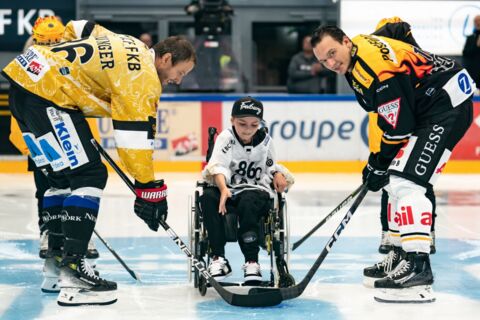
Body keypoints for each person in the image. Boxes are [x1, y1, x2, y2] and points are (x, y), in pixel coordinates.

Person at [2, 16, 196, 306]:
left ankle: (55, 265)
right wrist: (149, 189)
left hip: (24, 82)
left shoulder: (131, 43)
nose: (177, 80)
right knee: (89, 175)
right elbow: (134, 141)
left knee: (60, 177)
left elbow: (81, 26)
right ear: (166, 58)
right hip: (49, 95)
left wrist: (67, 69)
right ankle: (74, 273)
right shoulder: (143, 77)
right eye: (180, 72)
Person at [310, 21, 474, 303]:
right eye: (323, 60)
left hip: (447, 105)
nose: (330, 63)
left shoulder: (376, 71)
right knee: (394, 181)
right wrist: (420, 62)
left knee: (408, 183)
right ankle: (401, 255)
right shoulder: (359, 49)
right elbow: (398, 28)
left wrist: (377, 161)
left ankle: (418, 268)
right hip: (432, 103)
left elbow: (399, 128)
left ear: (347, 42)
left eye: (333, 53)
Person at [9, 16, 100, 261]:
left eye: (56, 41)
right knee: (48, 188)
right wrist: (32, 147)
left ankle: (78, 233)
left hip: (67, 140)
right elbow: (20, 117)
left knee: (78, 187)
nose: (52, 46)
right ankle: (50, 232)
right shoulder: (28, 68)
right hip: (42, 141)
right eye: (47, 42)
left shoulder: (71, 66)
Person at [201, 97, 294, 283]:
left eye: (254, 124)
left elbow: (271, 167)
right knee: (208, 197)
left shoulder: (266, 141)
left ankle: (252, 262)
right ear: (232, 120)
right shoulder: (226, 138)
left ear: (260, 123)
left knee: (249, 199)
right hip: (227, 189)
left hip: (254, 191)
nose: (248, 129)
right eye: (242, 123)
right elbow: (217, 166)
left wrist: (277, 174)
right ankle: (218, 258)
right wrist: (223, 189)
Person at [368, 18, 437, 255]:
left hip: (409, 135)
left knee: (415, 185)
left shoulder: (405, 64)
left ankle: (423, 232)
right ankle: (390, 232)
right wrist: (378, 158)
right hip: (393, 136)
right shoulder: (385, 67)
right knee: (395, 186)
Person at [462, 15, 480, 95]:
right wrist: (476, 45)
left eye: (479, 21)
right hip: (473, 72)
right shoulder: (470, 38)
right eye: (476, 21)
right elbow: (465, 52)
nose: (478, 23)